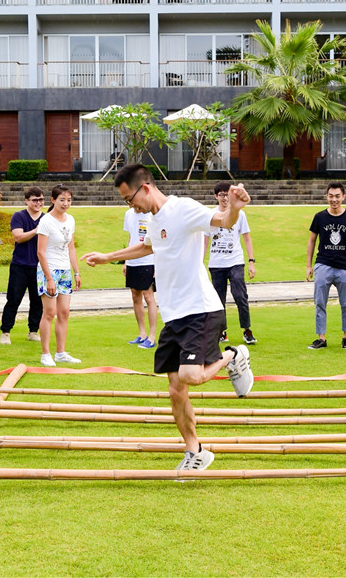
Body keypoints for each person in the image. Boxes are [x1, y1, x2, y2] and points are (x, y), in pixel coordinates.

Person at [81, 164, 255, 472]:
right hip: (174, 316)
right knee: (176, 389)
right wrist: (108, 256)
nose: (130, 206)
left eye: (128, 199)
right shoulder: (151, 219)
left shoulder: (183, 209)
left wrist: (236, 209)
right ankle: (196, 451)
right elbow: (147, 247)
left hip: (199, 308)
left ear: (145, 188)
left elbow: (222, 221)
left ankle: (233, 355)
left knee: (190, 375)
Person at [306, 182, 346, 350]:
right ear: (327, 196)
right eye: (331, 196)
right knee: (320, 302)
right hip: (323, 265)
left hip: (344, 267)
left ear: (343, 197)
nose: (334, 199)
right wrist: (309, 265)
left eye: (337, 196)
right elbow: (312, 241)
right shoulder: (320, 217)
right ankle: (321, 338)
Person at [36, 184, 82, 367]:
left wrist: (76, 271)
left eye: (69, 200)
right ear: (53, 200)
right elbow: (40, 252)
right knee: (50, 312)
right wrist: (48, 278)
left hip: (64, 271)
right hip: (48, 270)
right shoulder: (46, 221)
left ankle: (61, 352)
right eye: (62, 200)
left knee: (64, 312)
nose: (66, 203)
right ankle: (45, 353)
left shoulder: (70, 220)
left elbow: (71, 248)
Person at [207, 181, 257, 346]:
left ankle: (247, 330)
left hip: (235, 261)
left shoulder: (239, 214)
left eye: (226, 194)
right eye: (221, 195)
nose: (224, 198)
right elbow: (205, 240)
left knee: (240, 295)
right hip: (216, 263)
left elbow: (247, 238)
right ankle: (222, 331)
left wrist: (251, 262)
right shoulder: (210, 215)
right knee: (218, 299)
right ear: (216, 196)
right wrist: (199, 263)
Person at [0, 186, 44, 345]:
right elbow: (18, 237)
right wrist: (36, 230)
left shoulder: (46, 218)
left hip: (39, 267)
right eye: (34, 200)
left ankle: (33, 331)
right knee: (13, 299)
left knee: (38, 301)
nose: (38, 203)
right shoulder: (19, 216)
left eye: (41, 199)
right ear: (27, 201)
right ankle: (5, 332)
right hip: (20, 265)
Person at [122, 205, 158, 349]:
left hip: (148, 261)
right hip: (132, 261)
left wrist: (157, 263)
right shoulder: (128, 214)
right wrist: (125, 261)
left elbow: (157, 240)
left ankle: (152, 336)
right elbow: (131, 238)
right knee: (135, 296)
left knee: (148, 297)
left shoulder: (151, 215)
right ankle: (142, 334)